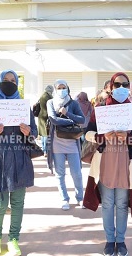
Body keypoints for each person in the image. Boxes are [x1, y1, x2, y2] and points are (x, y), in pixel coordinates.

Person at [83, 72, 132, 256]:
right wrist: (101, 136)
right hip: (105, 162)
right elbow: (87, 134)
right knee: (108, 203)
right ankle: (110, 241)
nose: (121, 88)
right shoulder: (101, 109)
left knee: (122, 203)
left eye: (124, 84)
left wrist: (130, 138)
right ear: (110, 86)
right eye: (117, 84)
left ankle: (121, 241)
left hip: (126, 163)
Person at [0, 69, 37, 256]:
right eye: (6, 80)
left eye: (13, 80)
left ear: (17, 83)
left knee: (18, 204)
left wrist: (29, 132)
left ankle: (13, 239)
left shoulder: (22, 106)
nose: (9, 83)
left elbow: (34, 133)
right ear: (0, 81)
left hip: (20, 160)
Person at [47, 80, 85, 210]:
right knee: (60, 173)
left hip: (72, 142)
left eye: (64, 87)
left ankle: (80, 198)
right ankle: (64, 199)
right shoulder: (50, 102)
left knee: (77, 173)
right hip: (57, 144)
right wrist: (71, 121)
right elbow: (53, 119)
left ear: (67, 88)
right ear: (55, 89)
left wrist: (67, 113)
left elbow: (82, 119)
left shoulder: (73, 103)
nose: (62, 90)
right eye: (59, 87)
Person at [38, 85, 53, 157]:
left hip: (41, 116)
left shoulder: (42, 96)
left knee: (43, 135)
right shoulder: (48, 97)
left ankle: (44, 150)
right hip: (46, 116)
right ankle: (46, 151)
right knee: (46, 134)